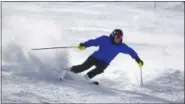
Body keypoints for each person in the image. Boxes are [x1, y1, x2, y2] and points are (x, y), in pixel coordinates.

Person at [70, 29, 144, 81]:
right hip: (95, 57)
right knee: (83, 67)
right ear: (113, 36)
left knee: (100, 69)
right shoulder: (105, 39)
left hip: (104, 62)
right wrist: (85, 45)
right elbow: (94, 42)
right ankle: (70, 71)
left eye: (120, 37)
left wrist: (137, 59)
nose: (118, 39)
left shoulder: (121, 46)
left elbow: (131, 51)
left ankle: (86, 78)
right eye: (117, 37)